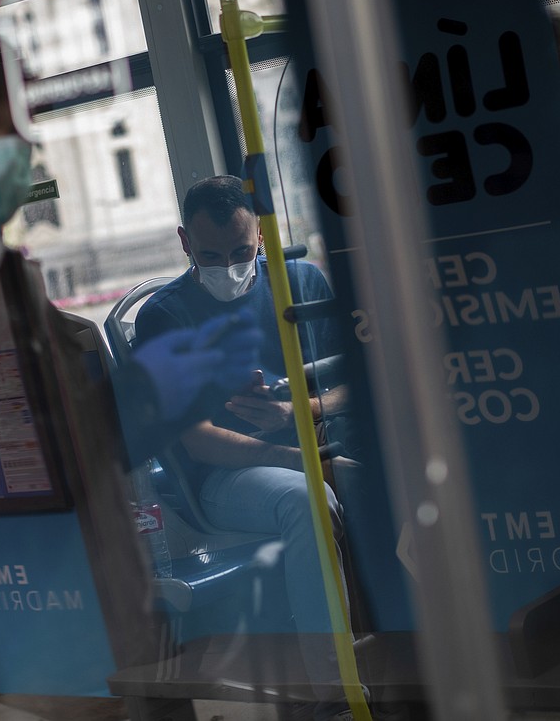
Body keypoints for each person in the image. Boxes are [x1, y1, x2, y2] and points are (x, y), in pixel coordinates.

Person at [133, 174, 360, 721]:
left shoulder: (301, 282)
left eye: (240, 251)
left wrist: (294, 414)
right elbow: (199, 442)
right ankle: (338, 694)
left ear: (259, 232)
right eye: (210, 256)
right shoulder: (165, 317)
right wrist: (303, 459)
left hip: (315, 443)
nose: (229, 268)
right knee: (307, 500)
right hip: (226, 475)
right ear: (185, 242)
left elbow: (358, 381)